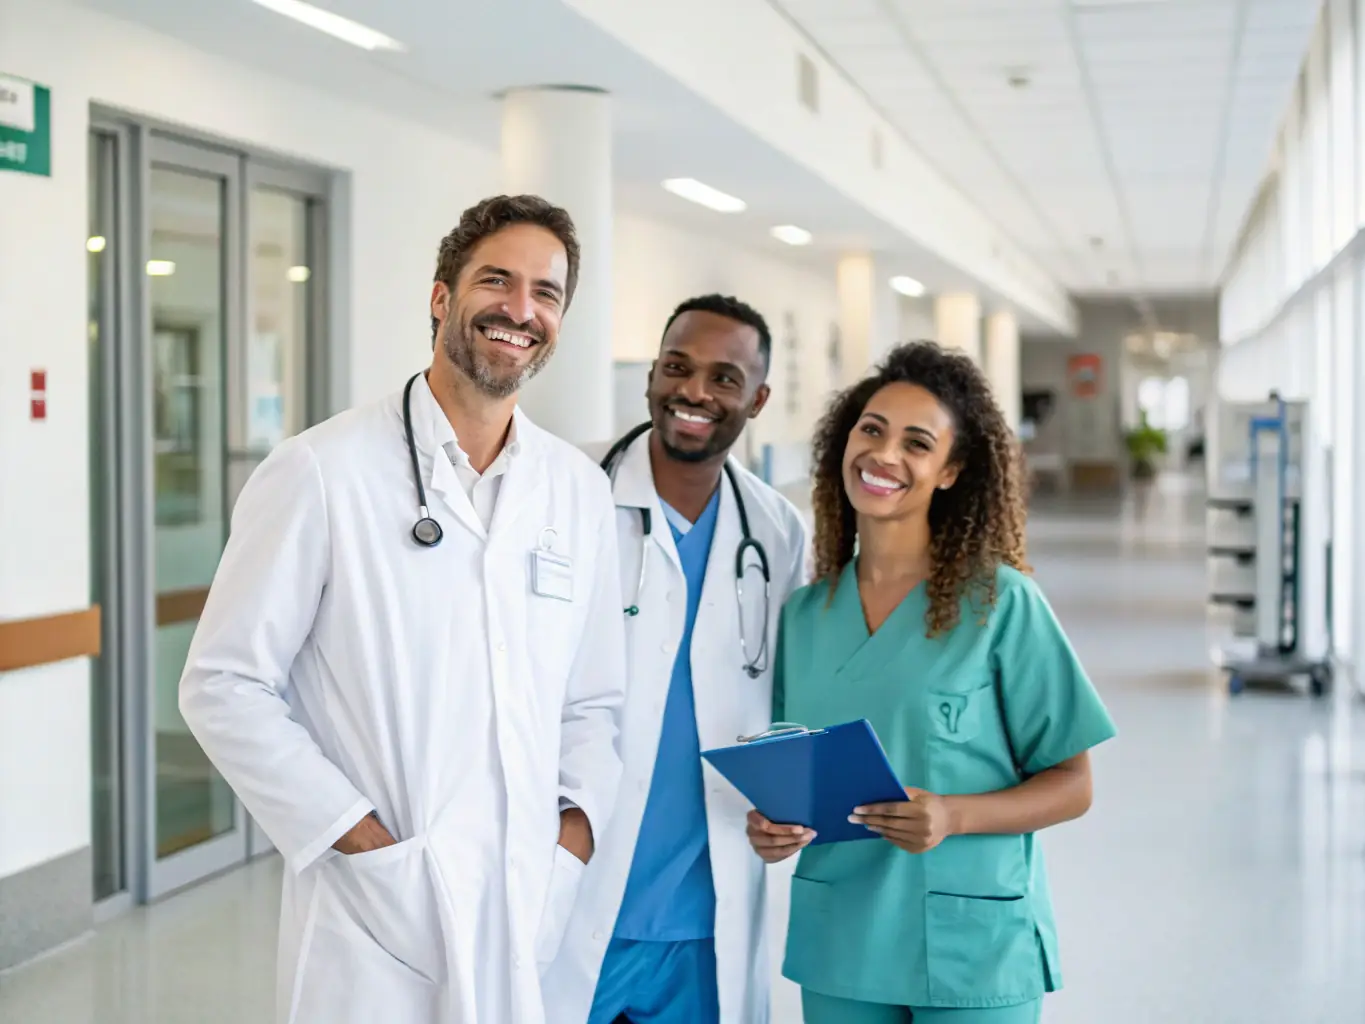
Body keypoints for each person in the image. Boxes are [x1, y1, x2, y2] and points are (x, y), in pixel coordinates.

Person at [178, 195, 627, 1024]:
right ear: (440, 297)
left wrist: (571, 838)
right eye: (496, 280)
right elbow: (223, 684)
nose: (520, 309)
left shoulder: (576, 489)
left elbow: (594, 700)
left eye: (546, 292)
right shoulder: (321, 470)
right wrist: (361, 840)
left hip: (526, 894)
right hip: (374, 913)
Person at [748, 341, 1116, 1024]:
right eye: (871, 430)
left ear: (950, 472)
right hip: (841, 942)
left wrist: (953, 815)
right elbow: (795, 769)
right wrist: (773, 827)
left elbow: (1073, 784)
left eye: (916, 443)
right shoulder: (804, 616)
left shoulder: (1000, 604)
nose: (883, 454)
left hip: (970, 943)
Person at [540, 295, 810, 1024]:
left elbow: (789, 702)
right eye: (677, 367)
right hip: (567, 888)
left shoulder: (777, 532)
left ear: (757, 400)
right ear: (651, 377)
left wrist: (793, 809)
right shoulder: (564, 489)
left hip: (704, 914)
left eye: (724, 378)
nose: (694, 391)